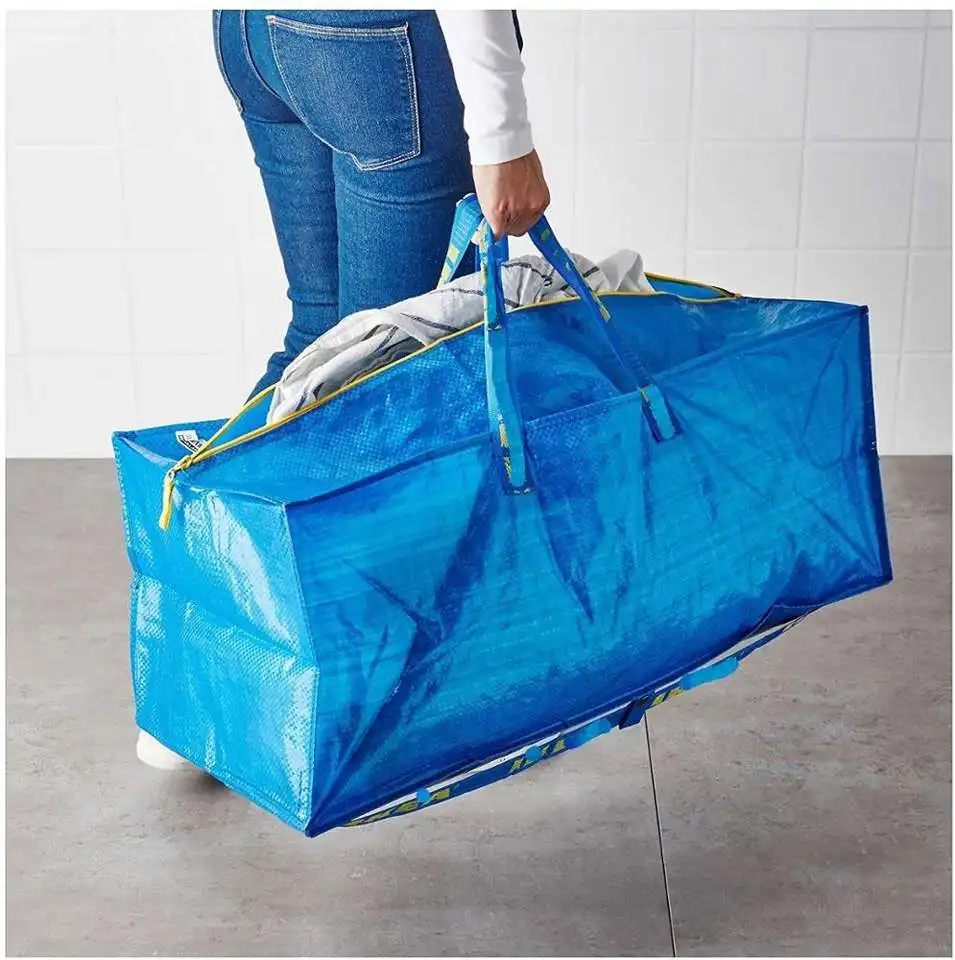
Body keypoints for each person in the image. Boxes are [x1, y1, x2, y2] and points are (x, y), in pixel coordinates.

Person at [136, 8, 550, 770]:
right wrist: (504, 134)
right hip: (375, 49)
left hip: (257, 32)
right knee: (382, 377)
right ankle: (338, 706)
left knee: (319, 341)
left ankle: (196, 687)